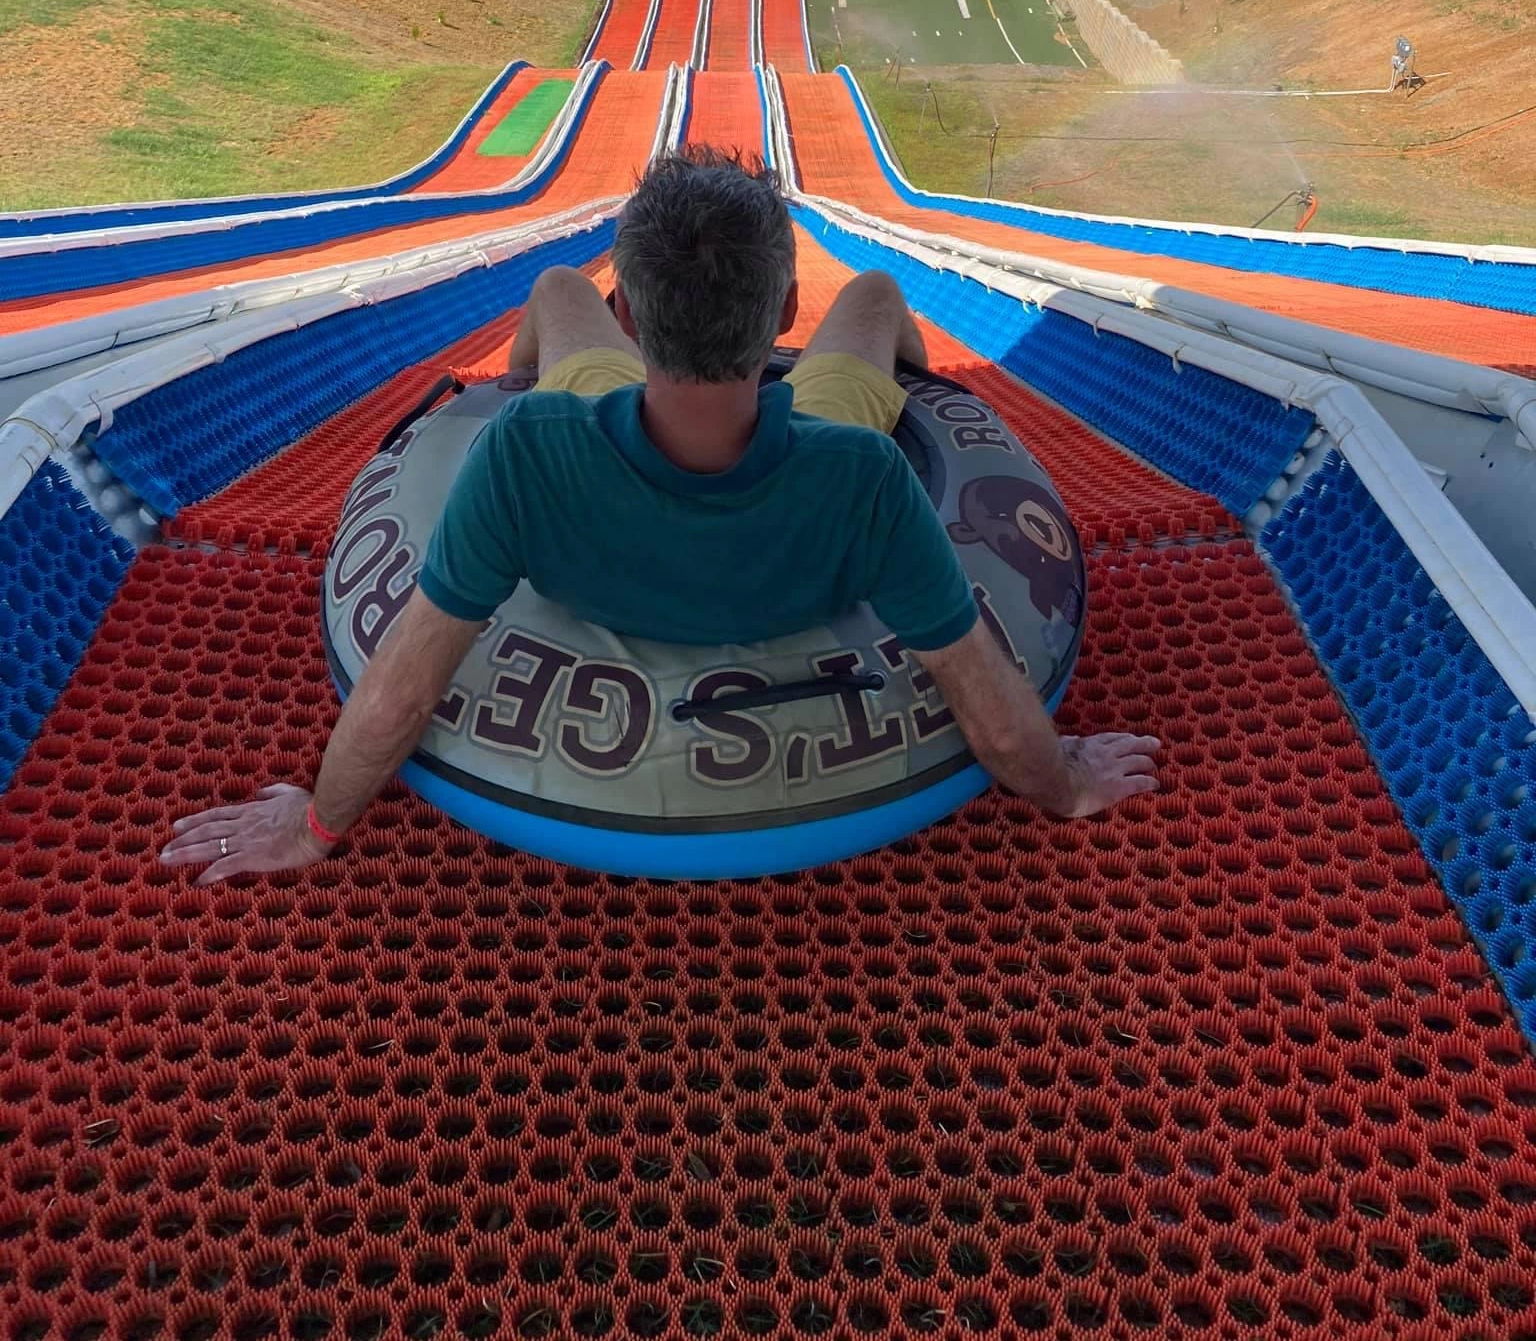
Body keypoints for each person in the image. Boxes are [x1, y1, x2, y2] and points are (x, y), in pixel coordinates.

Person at [162, 149, 1159, 883]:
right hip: (801, 436)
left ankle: (559, 370)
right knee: (877, 293)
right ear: (779, 315)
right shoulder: (864, 478)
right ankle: (912, 390)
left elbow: (394, 694)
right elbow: (985, 697)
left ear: (633, 319)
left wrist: (315, 830)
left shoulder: (524, 456)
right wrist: (1062, 782)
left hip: (591, 436)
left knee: (556, 289)